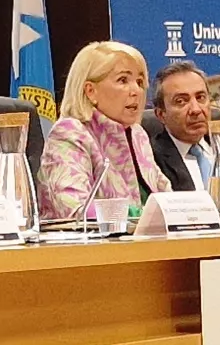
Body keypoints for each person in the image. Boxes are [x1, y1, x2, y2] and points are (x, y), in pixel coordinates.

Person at [35, 39, 173, 227]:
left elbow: (165, 196)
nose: (136, 91)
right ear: (91, 91)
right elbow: (74, 209)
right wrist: (138, 214)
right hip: (86, 251)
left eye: (140, 82)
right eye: (123, 80)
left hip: (141, 245)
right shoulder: (70, 133)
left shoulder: (137, 134)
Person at [145, 60, 220, 215]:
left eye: (201, 97)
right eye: (181, 101)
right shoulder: (152, 157)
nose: (195, 109)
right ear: (161, 114)